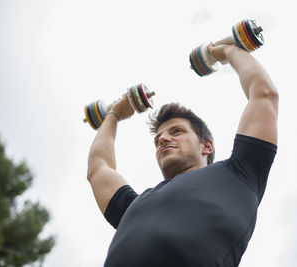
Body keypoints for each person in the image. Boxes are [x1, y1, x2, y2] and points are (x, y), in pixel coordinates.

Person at [87, 43, 278, 267]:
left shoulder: (241, 173)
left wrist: (226, 51)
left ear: (207, 146)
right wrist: (114, 114)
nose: (163, 139)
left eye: (176, 131)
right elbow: (98, 168)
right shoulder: (133, 206)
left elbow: (264, 95)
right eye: (158, 139)